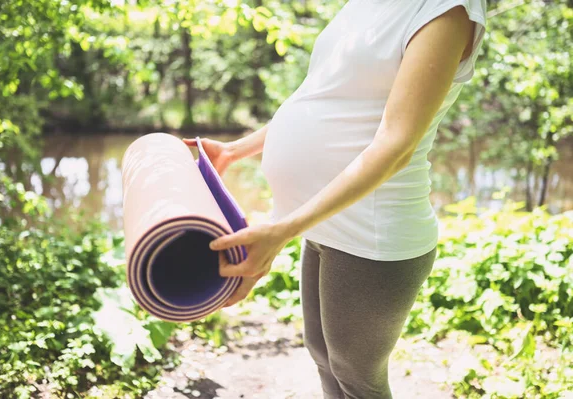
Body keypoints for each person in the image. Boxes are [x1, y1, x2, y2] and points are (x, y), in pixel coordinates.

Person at [184, 0, 487, 397]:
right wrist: (236, 150)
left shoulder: (448, 10)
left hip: (371, 232)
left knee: (357, 375)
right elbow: (324, 98)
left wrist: (285, 229)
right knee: (323, 356)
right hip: (327, 221)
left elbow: (395, 146)